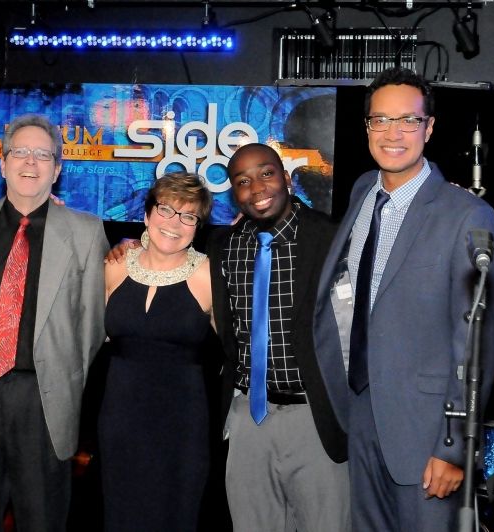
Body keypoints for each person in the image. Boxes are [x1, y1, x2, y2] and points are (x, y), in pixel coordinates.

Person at [106, 144, 350, 531]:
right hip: (245, 416)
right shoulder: (225, 246)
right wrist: (128, 244)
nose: (257, 188)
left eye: (266, 174)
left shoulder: (332, 239)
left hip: (314, 416)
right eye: (243, 181)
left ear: (286, 178)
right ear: (234, 193)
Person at [313, 67, 494, 531]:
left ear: (429, 127)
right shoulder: (363, 190)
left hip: (428, 431)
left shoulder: (467, 215)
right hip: (361, 414)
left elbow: (475, 341)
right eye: (380, 120)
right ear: (367, 127)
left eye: (408, 120)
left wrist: (454, 446)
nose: (393, 133)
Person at [0, 113, 109, 532]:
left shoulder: (86, 233)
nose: (30, 162)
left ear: (57, 168)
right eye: (20, 152)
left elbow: (91, 328)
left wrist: (61, 379)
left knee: (42, 519)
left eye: (43, 154)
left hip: (44, 400)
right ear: (2, 164)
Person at [98, 171, 214, 531]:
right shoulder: (114, 267)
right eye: (166, 209)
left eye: (188, 216)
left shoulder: (209, 276)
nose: (174, 223)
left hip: (182, 426)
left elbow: (240, 346)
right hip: (119, 419)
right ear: (147, 214)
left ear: (197, 227)